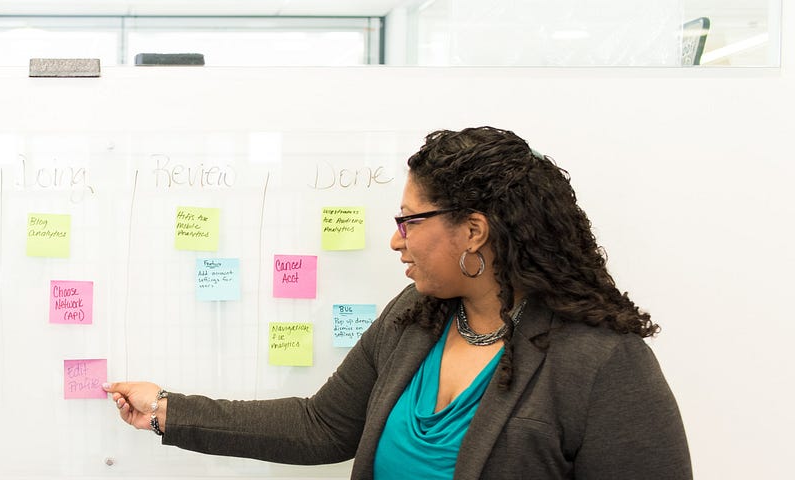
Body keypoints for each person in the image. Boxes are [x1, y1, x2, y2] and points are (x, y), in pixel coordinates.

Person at [105, 127, 690, 479]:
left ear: (474, 231)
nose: (395, 239)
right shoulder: (414, 317)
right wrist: (167, 409)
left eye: (410, 221)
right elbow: (321, 426)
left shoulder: (602, 362)